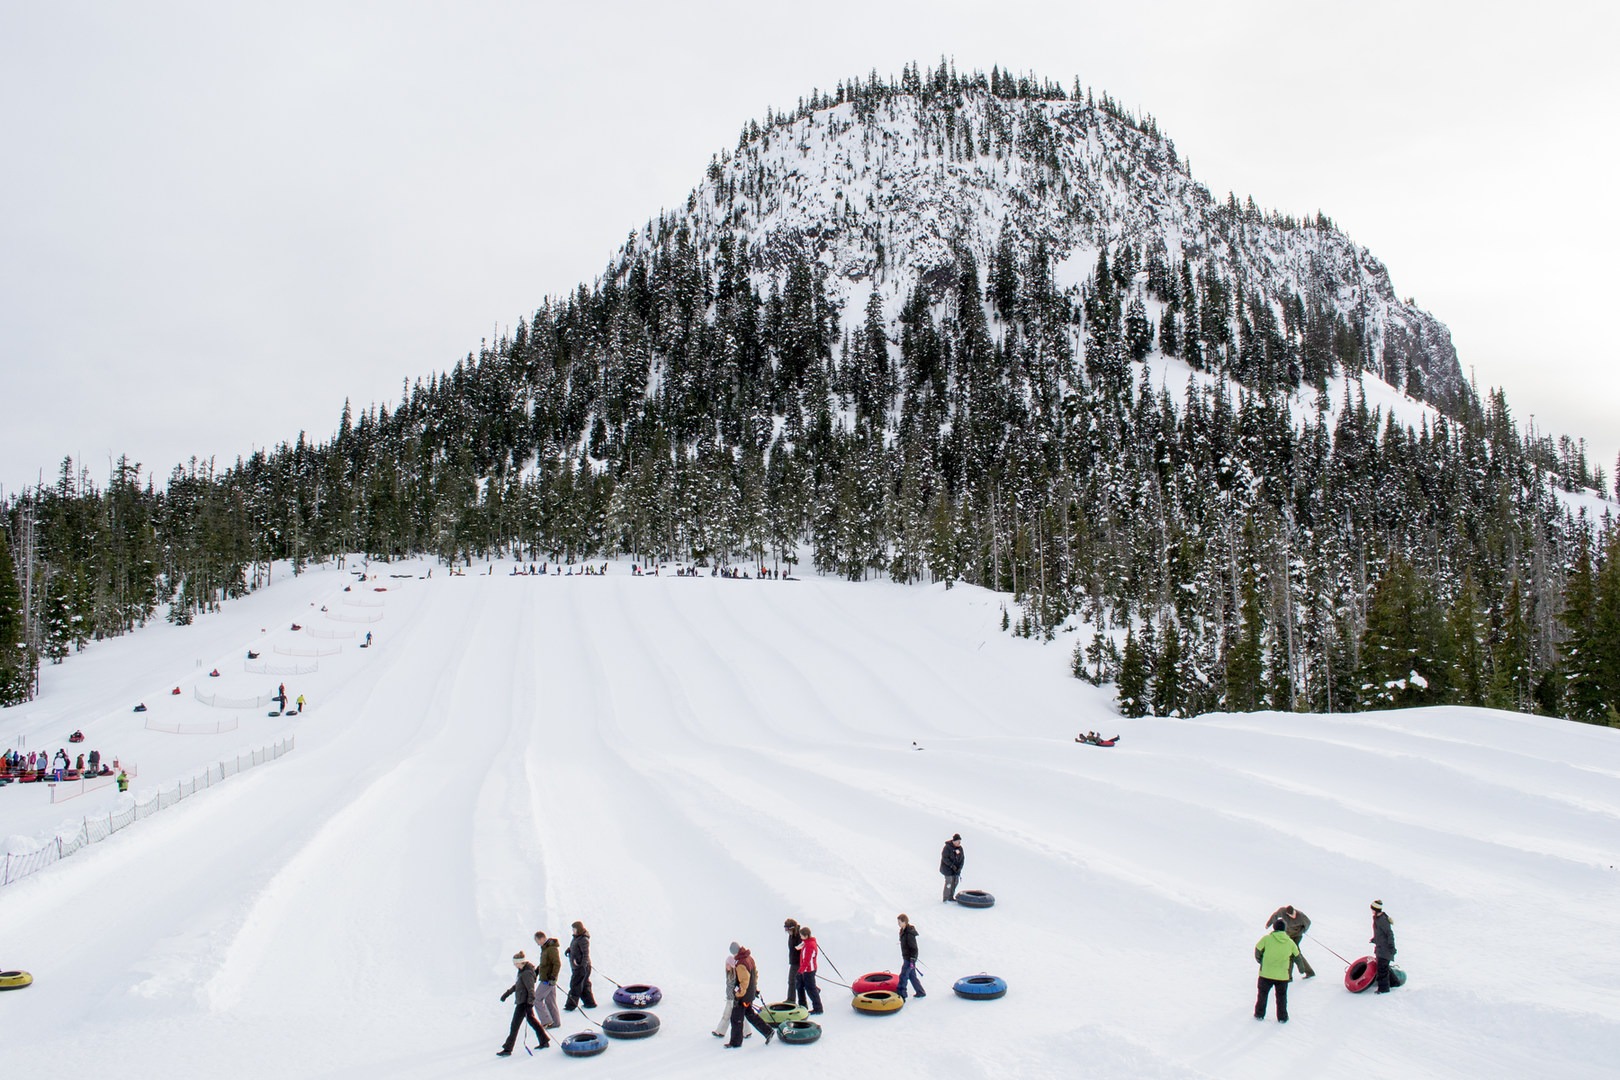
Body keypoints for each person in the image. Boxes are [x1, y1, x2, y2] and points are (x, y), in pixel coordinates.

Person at [497, 951, 551, 1056]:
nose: (514, 965)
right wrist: (507, 994)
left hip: (524, 1003)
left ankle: (508, 1049)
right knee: (531, 1022)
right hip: (522, 1002)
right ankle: (544, 1040)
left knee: (515, 1025)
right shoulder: (522, 971)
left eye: (515, 963)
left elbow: (531, 989)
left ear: (520, 962)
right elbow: (518, 985)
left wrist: (530, 1003)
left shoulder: (527, 973)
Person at [725, 944, 775, 1048]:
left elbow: (744, 980)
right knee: (750, 1014)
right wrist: (754, 988)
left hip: (743, 997)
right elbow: (755, 974)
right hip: (750, 993)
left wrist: (739, 994)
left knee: (736, 1018)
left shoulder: (740, 963)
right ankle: (768, 1031)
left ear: (735, 952)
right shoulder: (749, 958)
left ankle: (735, 1042)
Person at [1254, 917, 1300, 1022]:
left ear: (1274, 928)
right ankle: (1282, 1017)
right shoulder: (1290, 942)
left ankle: (1259, 1014)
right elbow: (1297, 956)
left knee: (1262, 995)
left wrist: (1260, 960)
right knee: (1281, 997)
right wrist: (1301, 969)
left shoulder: (1266, 939)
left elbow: (1257, 950)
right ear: (1284, 929)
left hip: (1266, 973)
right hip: (1282, 976)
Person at [1264, 904, 1316, 978]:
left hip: (1297, 935)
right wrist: (1268, 924)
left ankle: (1292, 975)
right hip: (1288, 935)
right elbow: (1275, 916)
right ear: (1287, 913)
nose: (1293, 916)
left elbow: (1308, 923)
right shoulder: (1282, 911)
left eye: (1294, 914)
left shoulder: (1301, 915)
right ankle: (1290, 975)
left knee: (1294, 953)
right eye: (1291, 915)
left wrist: (1303, 931)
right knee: (1291, 953)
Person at [712, 942, 742, 1037]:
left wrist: (736, 992)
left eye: (728, 965)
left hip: (734, 999)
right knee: (727, 1015)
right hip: (729, 998)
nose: (726, 966)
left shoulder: (735, 975)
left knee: (731, 1016)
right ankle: (720, 1031)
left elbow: (738, 985)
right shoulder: (729, 975)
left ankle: (720, 1031)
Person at [564, 921, 596, 1010]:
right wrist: (569, 950)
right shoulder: (577, 938)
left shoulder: (583, 939)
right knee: (584, 985)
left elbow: (585, 954)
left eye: (574, 929)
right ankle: (590, 1003)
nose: (573, 931)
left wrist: (582, 966)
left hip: (581, 967)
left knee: (575, 985)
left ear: (578, 929)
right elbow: (576, 947)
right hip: (578, 966)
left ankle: (570, 1006)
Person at [533, 931, 562, 1027]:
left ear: (542, 938)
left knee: (536, 998)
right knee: (550, 1001)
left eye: (537, 941)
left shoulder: (551, 949)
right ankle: (555, 1022)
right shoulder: (545, 949)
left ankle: (546, 1021)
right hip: (547, 979)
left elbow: (557, 963)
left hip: (548, 980)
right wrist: (537, 971)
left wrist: (553, 976)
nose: (537, 943)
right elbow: (545, 964)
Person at [796, 926, 824, 1014]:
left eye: (801, 935)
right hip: (806, 970)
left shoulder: (810, 945)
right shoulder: (806, 942)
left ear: (806, 935)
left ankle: (818, 1008)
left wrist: (801, 970)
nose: (800, 937)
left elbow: (807, 960)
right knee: (802, 986)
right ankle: (803, 1005)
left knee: (810, 989)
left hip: (809, 970)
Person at [1371, 900, 1397, 993]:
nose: (1372, 911)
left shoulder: (1382, 920)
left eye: (1373, 909)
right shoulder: (1377, 918)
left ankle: (1384, 989)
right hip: (1380, 948)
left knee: (1382, 969)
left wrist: (1391, 946)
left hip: (1385, 950)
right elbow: (1380, 933)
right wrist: (1374, 939)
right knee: (1382, 967)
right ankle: (1392, 983)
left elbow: (1389, 934)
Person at [898, 914, 925, 999]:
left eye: (900, 922)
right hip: (906, 957)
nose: (898, 924)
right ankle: (920, 991)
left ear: (904, 922)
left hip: (909, 959)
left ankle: (902, 994)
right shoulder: (903, 931)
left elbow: (914, 948)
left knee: (903, 975)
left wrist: (912, 959)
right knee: (911, 976)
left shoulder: (909, 933)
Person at [783, 918, 803, 1004]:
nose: (787, 932)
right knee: (800, 980)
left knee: (792, 980)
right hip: (793, 961)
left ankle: (791, 1000)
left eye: (788, 929)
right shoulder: (791, 935)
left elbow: (802, 949)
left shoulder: (799, 936)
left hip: (798, 962)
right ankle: (815, 990)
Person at [940, 833, 965, 902]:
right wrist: (951, 865)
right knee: (949, 881)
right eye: (958, 841)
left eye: (960, 841)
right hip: (947, 869)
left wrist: (959, 868)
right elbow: (945, 858)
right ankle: (945, 898)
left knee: (955, 881)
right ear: (954, 841)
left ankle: (951, 897)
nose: (959, 842)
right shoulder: (947, 847)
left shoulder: (960, 848)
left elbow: (962, 859)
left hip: (956, 869)